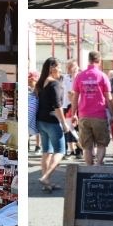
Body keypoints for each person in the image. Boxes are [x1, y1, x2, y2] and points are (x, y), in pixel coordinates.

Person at [35, 58, 70, 191]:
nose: (60, 70)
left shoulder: (41, 82)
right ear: (52, 68)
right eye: (59, 67)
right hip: (51, 121)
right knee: (60, 151)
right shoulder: (54, 84)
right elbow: (57, 105)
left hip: (40, 120)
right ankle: (46, 177)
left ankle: (47, 183)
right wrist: (64, 123)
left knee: (46, 151)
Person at [72, 51, 113, 166]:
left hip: (84, 115)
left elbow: (75, 97)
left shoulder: (80, 76)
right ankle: (98, 166)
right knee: (101, 144)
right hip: (99, 115)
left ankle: (89, 169)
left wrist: (74, 113)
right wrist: (112, 114)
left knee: (87, 146)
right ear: (99, 61)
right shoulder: (103, 76)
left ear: (88, 60)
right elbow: (108, 97)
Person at [62, 60, 80, 158]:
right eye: (68, 66)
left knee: (78, 128)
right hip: (66, 104)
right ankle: (69, 150)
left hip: (78, 105)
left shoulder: (79, 77)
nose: (69, 69)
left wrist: (74, 75)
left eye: (71, 66)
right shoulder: (64, 77)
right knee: (67, 128)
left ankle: (79, 149)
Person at [27, 71, 40, 154]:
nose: (29, 82)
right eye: (28, 81)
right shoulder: (27, 89)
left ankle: (38, 146)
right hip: (30, 111)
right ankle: (27, 144)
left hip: (38, 111)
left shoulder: (39, 89)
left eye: (31, 81)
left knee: (38, 128)